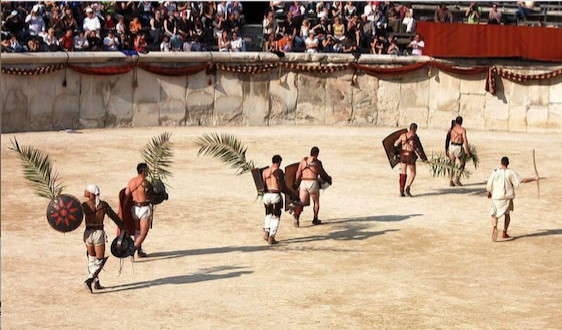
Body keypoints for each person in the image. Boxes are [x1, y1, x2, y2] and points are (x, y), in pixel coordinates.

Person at [82, 184, 124, 293]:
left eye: (86, 190)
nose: (84, 191)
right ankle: (91, 280)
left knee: (92, 259)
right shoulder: (103, 205)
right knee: (99, 261)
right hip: (99, 234)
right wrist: (123, 228)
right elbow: (115, 217)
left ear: (91, 193)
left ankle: (95, 281)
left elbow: (74, 218)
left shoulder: (84, 206)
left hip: (88, 233)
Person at [486, 157, 539, 241]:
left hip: (497, 196)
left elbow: (489, 184)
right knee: (507, 215)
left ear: (501, 163)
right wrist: (534, 178)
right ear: (508, 164)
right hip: (507, 197)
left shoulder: (495, 172)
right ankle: (504, 231)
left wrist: (489, 192)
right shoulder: (511, 173)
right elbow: (521, 180)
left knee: (494, 214)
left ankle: (495, 227)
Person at [293, 147, 332, 226]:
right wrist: (328, 179)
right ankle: (315, 218)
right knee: (316, 201)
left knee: (301, 202)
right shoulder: (317, 163)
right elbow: (322, 173)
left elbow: (298, 173)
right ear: (317, 154)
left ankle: (296, 217)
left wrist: (296, 183)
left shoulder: (303, 161)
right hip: (313, 182)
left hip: (303, 182)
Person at [261, 155, 296, 245]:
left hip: (266, 195)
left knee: (268, 213)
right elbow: (282, 186)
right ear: (279, 162)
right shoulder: (279, 172)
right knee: (276, 215)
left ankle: (266, 232)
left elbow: (262, 185)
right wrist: (291, 193)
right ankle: (271, 237)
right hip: (275, 195)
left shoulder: (265, 171)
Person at [124, 163, 153, 258]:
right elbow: (152, 196)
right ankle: (133, 249)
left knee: (137, 230)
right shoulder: (145, 182)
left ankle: (139, 251)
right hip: (144, 208)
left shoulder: (131, 182)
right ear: (143, 171)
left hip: (135, 209)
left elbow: (126, 194)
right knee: (143, 232)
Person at [394, 123, 428, 197]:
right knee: (413, 173)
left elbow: (396, 144)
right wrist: (424, 159)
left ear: (409, 128)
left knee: (403, 172)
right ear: (415, 129)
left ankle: (401, 190)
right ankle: (407, 188)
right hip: (410, 156)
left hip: (403, 155)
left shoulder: (403, 135)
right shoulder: (415, 137)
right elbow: (419, 148)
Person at [446, 116, 471, 187]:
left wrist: (447, 149)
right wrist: (467, 150)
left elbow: (448, 139)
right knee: (462, 163)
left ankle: (450, 180)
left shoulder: (452, 129)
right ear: (461, 122)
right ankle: (457, 179)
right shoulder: (462, 130)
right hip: (458, 147)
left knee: (452, 163)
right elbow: (465, 140)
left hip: (451, 147)